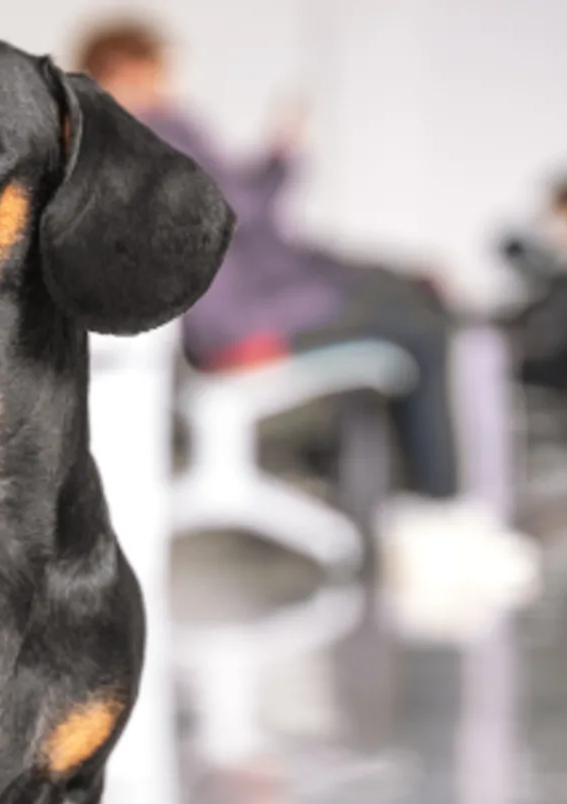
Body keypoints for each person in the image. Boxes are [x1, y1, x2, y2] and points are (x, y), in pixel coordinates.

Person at [74, 19, 461, 501]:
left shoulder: (99, 145)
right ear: (126, 68)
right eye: (157, 68)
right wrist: (282, 154)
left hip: (220, 320)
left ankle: (417, 503)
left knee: (405, 296)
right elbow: (240, 209)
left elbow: (229, 207)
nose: (167, 82)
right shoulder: (160, 126)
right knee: (422, 325)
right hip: (243, 323)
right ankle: (439, 509)